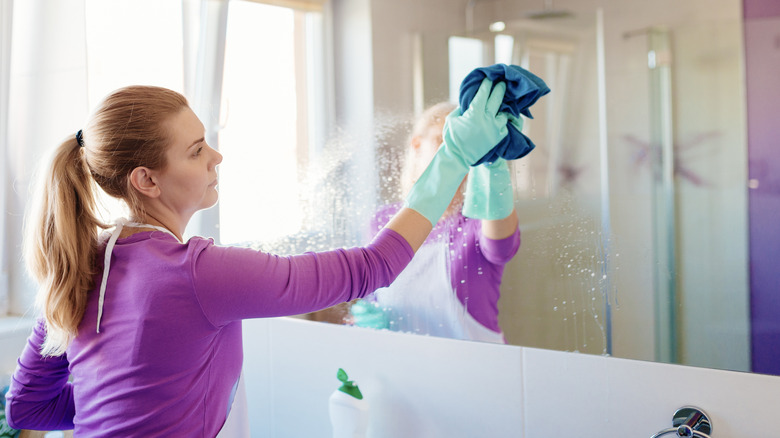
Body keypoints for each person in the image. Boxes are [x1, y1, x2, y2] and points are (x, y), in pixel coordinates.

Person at [4, 79, 509, 436]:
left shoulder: (84, 264)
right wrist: (452, 159)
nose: (216, 157)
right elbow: (370, 268)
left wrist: (127, 404)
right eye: (197, 149)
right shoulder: (199, 273)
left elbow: (28, 407)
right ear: (147, 180)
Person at [350, 102, 521, 344]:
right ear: (417, 145)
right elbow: (373, 297)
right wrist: (366, 320)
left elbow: (501, 248)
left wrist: (492, 163)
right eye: (443, 141)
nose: (454, 155)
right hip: (403, 367)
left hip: (476, 370)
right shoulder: (381, 221)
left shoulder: (477, 219)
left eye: (462, 145)